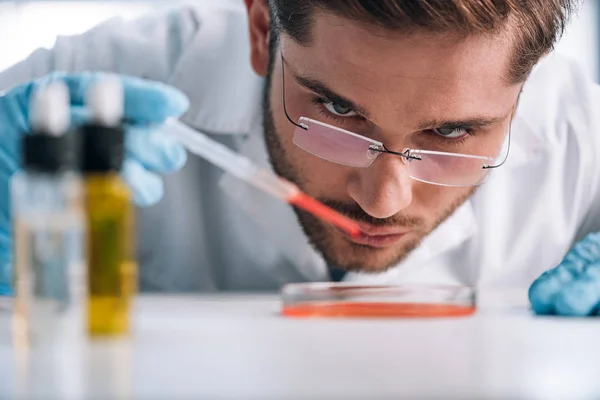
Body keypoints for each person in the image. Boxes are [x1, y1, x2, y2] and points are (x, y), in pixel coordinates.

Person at [0, 0, 597, 316]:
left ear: (525, 85)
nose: (382, 199)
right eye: (337, 110)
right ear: (263, 30)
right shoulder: (92, 82)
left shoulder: (582, 132)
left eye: (453, 133)